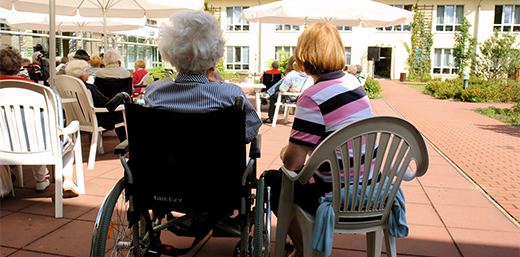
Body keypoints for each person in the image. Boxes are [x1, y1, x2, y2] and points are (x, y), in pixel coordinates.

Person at [263, 22, 374, 257]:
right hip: (369, 185)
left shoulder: (313, 96)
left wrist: (286, 151)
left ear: (303, 54)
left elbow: (292, 163)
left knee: (273, 179)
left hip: (335, 193)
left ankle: (303, 248)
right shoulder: (353, 84)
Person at [144, 10, 261, 144]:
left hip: (164, 164)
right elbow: (249, 132)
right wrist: (221, 84)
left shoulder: (154, 92)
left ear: (172, 59)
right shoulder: (231, 94)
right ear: (213, 64)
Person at [0, 48, 79, 196]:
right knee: (53, 137)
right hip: (39, 143)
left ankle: (41, 180)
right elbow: (55, 121)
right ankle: (66, 178)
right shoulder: (38, 90)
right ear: (18, 67)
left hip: (3, 146)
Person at [65, 60, 127, 142]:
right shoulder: (89, 88)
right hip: (97, 117)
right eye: (87, 71)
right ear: (82, 74)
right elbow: (104, 103)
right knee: (121, 114)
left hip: (77, 118)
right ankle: (125, 144)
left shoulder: (68, 87)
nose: (88, 73)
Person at [263, 56, 310, 124]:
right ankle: (268, 93)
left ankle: (271, 117)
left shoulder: (291, 75)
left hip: (289, 98)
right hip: (300, 98)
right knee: (282, 82)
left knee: (274, 95)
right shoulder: (307, 76)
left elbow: (282, 90)